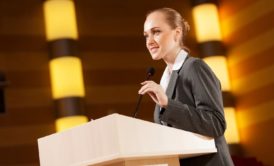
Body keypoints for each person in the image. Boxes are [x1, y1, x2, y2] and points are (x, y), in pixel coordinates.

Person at [138, 7, 234, 166]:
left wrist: (168, 104)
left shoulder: (195, 67)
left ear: (177, 33)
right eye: (146, 35)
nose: (149, 41)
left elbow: (216, 123)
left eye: (156, 32)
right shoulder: (165, 80)